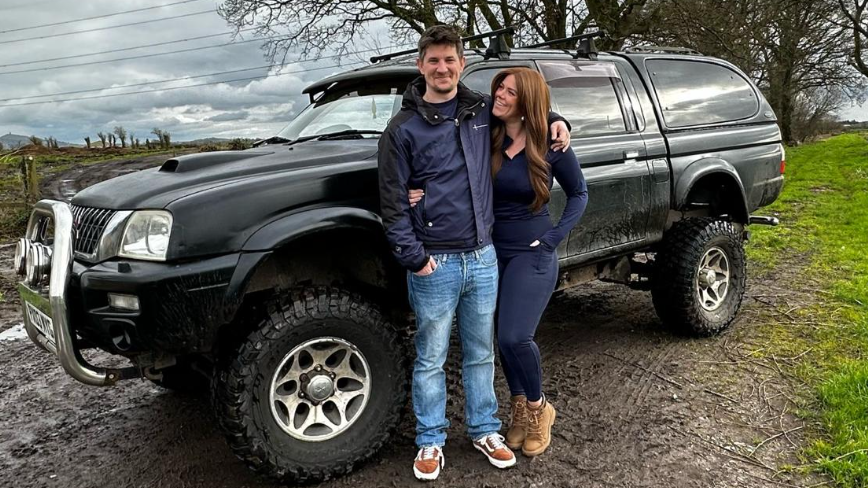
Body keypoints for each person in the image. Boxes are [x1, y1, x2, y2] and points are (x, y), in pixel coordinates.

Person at [377, 25, 571, 481]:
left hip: (484, 258)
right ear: (421, 65)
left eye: (450, 60)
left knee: (481, 352)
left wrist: (560, 120)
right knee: (431, 356)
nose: (442, 68)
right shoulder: (401, 130)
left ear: (462, 65)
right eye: (433, 60)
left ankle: (485, 430)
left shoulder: (479, 111)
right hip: (434, 262)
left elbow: (524, 106)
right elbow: (391, 203)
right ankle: (430, 440)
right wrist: (414, 257)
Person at [410, 67, 587, 458]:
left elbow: (579, 193)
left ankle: (540, 408)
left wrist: (554, 239)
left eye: (511, 92)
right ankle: (519, 410)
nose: (501, 96)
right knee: (498, 342)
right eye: (499, 89)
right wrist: (417, 191)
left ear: (527, 102)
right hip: (490, 253)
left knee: (514, 336)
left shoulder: (549, 142)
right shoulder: (487, 132)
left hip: (532, 251)